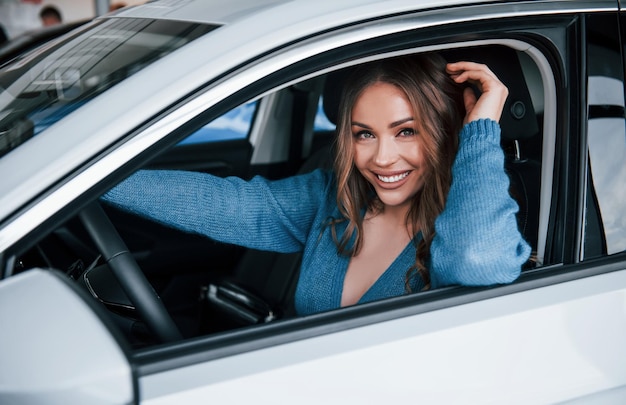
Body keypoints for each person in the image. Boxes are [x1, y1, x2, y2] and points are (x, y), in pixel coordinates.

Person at [103, 53, 531, 316]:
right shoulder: (334, 198)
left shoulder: (472, 215)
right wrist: (93, 180)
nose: (381, 158)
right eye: (364, 134)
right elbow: (228, 204)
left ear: (445, 131)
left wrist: (478, 132)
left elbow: (477, 263)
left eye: (407, 131)